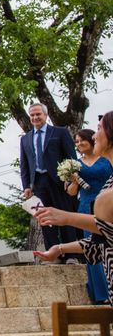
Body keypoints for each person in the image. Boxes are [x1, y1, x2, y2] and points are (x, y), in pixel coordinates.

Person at [35, 112, 113, 305]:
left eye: (99, 129)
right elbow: (98, 243)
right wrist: (60, 248)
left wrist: (66, 218)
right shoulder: (106, 187)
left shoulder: (106, 195)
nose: (94, 136)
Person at [20, 103, 79, 263]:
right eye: (32, 115)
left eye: (38, 114)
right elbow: (24, 164)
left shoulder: (59, 132)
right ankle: (54, 256)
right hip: (39, 183)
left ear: (45, 115)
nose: (35, 118)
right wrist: (26, 186)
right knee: (45, 220)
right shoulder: (25, 139)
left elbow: (71, 157)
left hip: (60, 182)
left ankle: (71, 255)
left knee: (65, 217)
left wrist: (70, 179)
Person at [65, 129, 112, 303]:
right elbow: (70, 192)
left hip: (107, 204)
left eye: (81, 140)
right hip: (85, 206)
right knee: (93, 246)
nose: (79, 144)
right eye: (76, 142)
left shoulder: (106, 159)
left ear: (90, 139)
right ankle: (101, 293)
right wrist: (74, 183)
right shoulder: (75, 164)